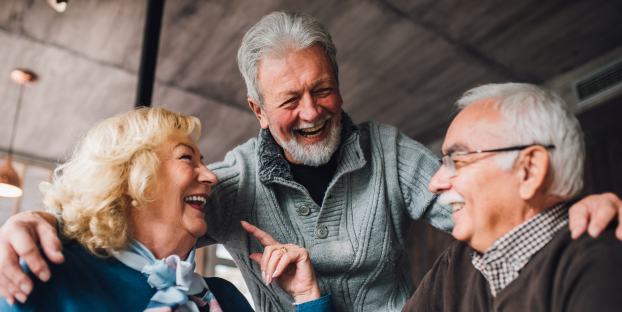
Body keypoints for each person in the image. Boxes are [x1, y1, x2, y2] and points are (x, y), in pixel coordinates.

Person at [1, 11, 622, 312]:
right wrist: (40, 224)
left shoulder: (388, 151)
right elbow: (140, 208)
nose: (311, 111)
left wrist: (566, 209)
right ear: (257, 110)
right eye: (289, 99)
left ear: (340, 87)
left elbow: (485, 207)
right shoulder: (230, 181)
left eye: (322, 90)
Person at [0, 107, 335, 312]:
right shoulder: (42, 275)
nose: (211, 176)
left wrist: (307, 299)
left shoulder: (223, 298)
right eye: (186, 157)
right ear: (134, 179)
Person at [402, 83, 622, 312]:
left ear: (529, 170)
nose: (434, 183)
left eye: (456, 159)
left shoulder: (601, 263)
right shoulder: (454, 266)